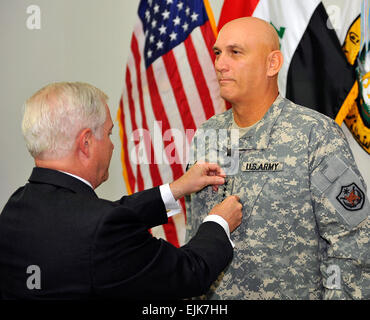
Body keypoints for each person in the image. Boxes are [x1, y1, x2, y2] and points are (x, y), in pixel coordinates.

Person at [0, 82, 243, 300]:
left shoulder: (15, 207)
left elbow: (91, 222)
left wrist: (175, 189)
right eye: (108, 133)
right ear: (86, 143)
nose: (112, 144)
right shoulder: (101, 228)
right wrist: (218, 222)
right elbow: (188, 274)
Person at [185, 17, 370, 300]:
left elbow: (353, 242)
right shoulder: (207, 135)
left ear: (272, 64)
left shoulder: (315, 135)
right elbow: (195, 234)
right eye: (218, 53)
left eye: (235, 52)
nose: (220, 64)